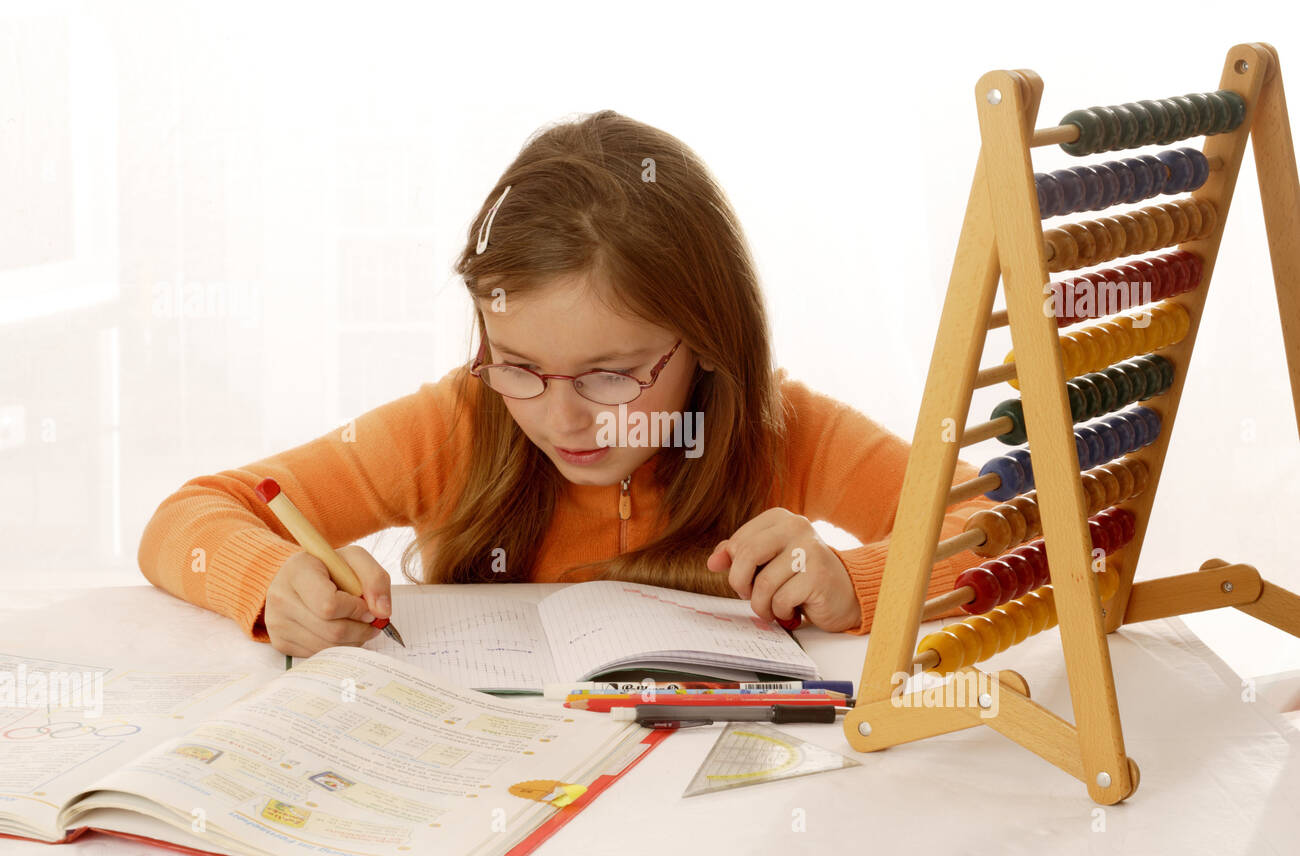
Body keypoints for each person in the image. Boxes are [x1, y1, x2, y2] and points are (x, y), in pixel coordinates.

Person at [138, 110, 985, 660]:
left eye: (611, 375)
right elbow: (189, 516)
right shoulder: (456, 427)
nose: (560, 415)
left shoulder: (785, 433)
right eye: (517, 366)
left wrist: (859, 582)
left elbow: (1033, 531)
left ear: (708, 340)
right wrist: (270, 581)